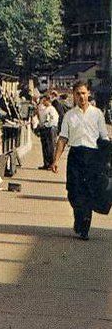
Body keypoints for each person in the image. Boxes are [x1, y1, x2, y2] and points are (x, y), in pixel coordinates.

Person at [51, 81, 109, 240]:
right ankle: (79, 216)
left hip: (92, 156)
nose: (81, 96)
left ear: (88, 93)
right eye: (78, 94)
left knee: (89, 192)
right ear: (74, 96)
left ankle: (85, 227)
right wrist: (56, 160)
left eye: (83, 93)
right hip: (75, 155)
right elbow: (63, 138)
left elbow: (104, 137)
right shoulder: (69, 115)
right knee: (74, 192)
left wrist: (107, 160)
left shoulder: (97, 114)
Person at [36, 95, 59, 170]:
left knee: (50, 147)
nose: (42, 102)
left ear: (47, 100)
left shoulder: (51, 109)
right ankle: (46, 163)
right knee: (45, 146)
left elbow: (53, 119)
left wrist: (45, 125)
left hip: (50, 129)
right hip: (44, 129)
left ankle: (51, 164)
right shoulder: (44, 109)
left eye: (44, 100)